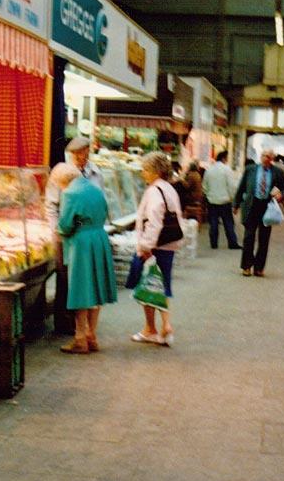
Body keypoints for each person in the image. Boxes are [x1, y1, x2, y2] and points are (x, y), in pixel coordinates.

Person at [57, 165, 117, 354]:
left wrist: (62, 229)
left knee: (81, 290)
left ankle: (80, 338)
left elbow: (65, 225)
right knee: (96, 288)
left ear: (62, 181)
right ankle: (92, 335)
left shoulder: (70, 193)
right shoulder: (95, 189)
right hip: (99, 238)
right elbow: (105, 213)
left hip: (81, 243)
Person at [129, 152, 184, 346]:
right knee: (162, 284)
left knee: (147, 284)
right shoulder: (169, 188)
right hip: (168, 245)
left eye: (146, 170)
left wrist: (146, 247)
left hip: (155, 245)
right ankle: (165, 324)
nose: (143, 173)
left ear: (156, 172)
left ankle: (150, 329)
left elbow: (154, 221)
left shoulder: (154, 191)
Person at [233, 148, 284, 277]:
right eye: (263, 155)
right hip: (252, 205)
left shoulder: (277, 172)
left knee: (264, 239)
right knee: (248, 237)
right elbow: (241, 187)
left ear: (272, 159)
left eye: (268, 156)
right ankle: (246, 266)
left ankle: (259, 268)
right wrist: (236, 204)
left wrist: (281, 195)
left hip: (267, 207)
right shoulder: (250, 169)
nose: (265, 158)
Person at [45, 162, 74, 335]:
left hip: (74, 233)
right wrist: (56, 230)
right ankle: (64, 322)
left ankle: (75, 321)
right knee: (64, 277)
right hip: (63, 235)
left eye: (85, 153)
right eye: (78, 154)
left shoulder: (94, 174)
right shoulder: (60, 175)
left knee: (72, 278)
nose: (82, 157)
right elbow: (51, 207)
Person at [202, 150, 241, 250]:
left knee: (213, 223)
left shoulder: (209, 170)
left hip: (212, 201)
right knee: (228, 223)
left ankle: (214, 243)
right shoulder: (227, 170)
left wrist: (209, 196)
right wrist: (232, 199)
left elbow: (204, 186)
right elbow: (232, 186)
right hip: (225, 201)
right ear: (224, 158)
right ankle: (232, 243)